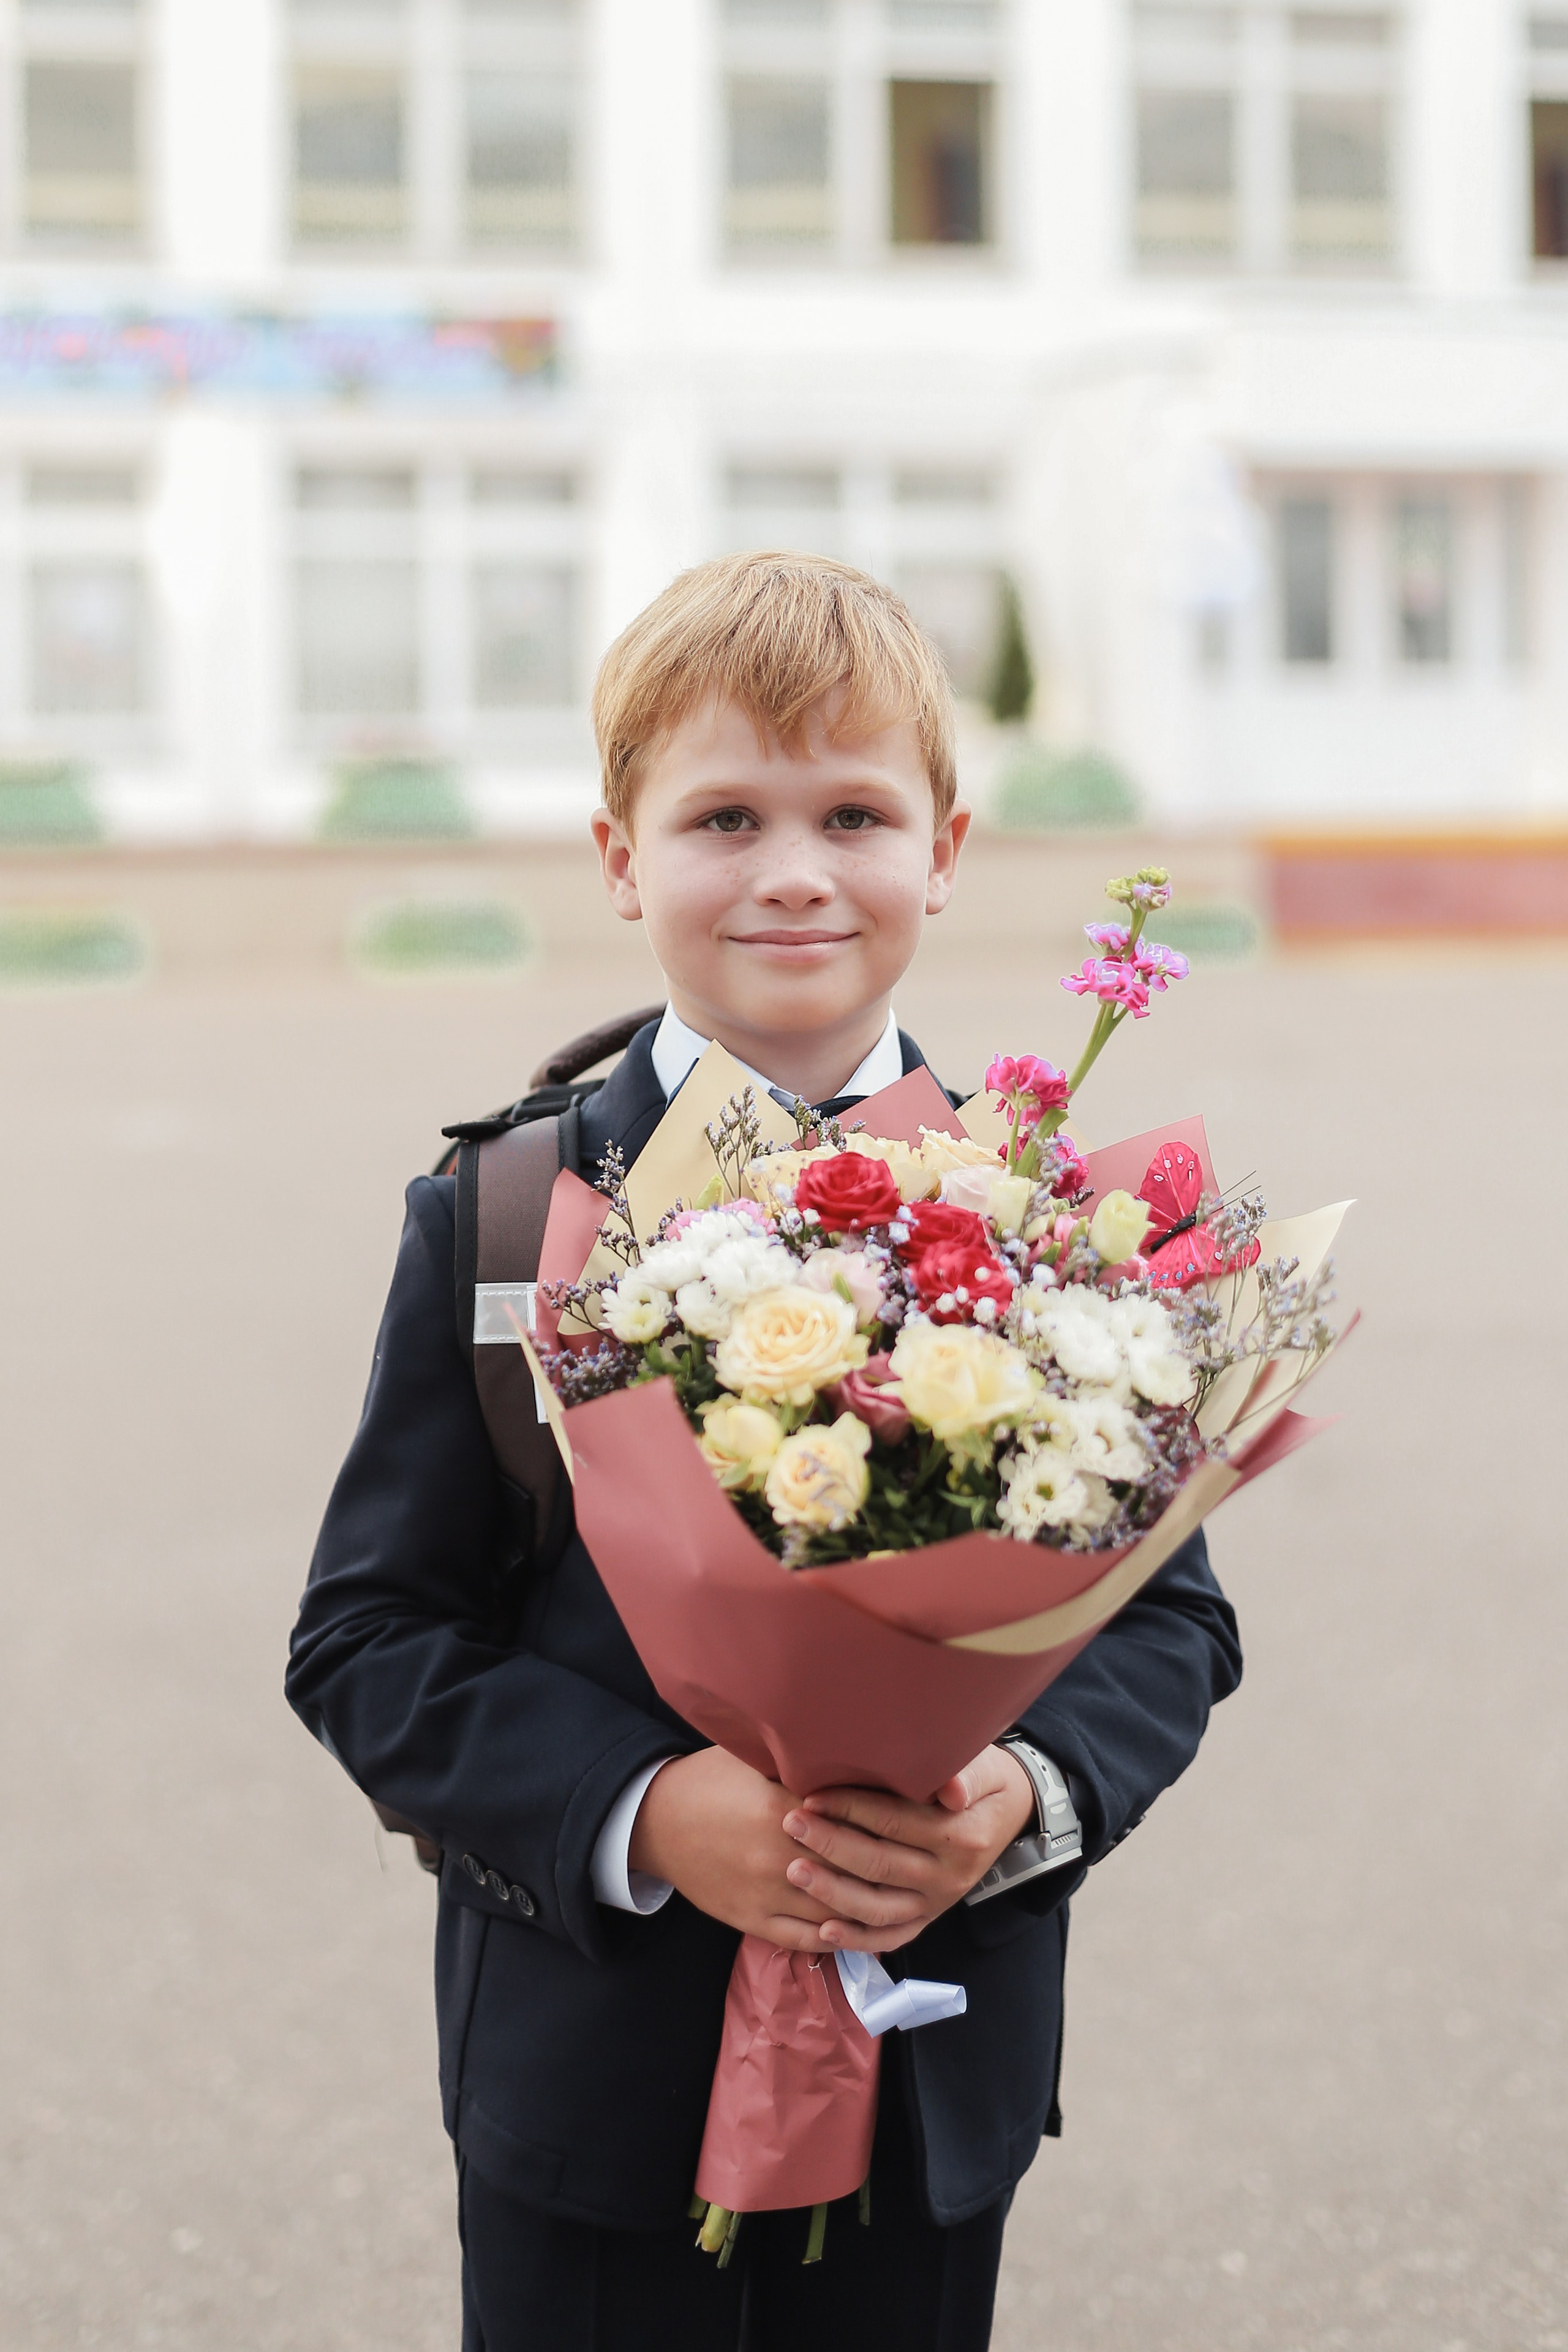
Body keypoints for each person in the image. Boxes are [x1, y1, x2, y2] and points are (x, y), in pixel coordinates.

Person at [285, 551, 1242, 2352]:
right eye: (724, 814)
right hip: (593, 2087)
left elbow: (1167, 1626)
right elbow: (369, 1642)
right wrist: (650, 1815)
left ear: (944, 851)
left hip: (933, 2083)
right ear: (620, 854)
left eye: (854, 814)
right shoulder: (504, 1215)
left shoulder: (1056, 1225)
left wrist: (1008, 1808)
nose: (795, 872)